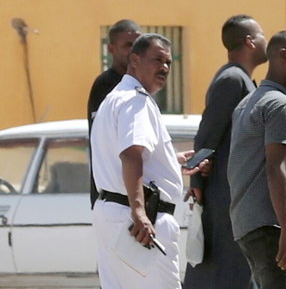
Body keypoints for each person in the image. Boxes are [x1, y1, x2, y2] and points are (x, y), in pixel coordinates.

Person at [90, 33, 206, 289]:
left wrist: (169, 162)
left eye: (168, 62)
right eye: (157, 60)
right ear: (134, 59)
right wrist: (140, 212)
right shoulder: (135, 100)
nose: (164, 67)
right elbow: (131, 154)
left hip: (113, 213)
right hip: (140, 220)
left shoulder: (115, 98)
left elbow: (127, 155)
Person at [184, 15, 267, 288]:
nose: (266, 40)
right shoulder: (233, 80)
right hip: (225, 198)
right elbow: (207, 135)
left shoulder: (242, 80)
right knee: (225, 274)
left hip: (235, 197)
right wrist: (196, 180)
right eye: (261, 34)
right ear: (249, 41)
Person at [229, 31, 286, 289]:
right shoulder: (280, 105)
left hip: (246, 222)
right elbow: (274, 168)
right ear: (283, 56)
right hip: (269, 224)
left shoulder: (247, 102)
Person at [87, 19, 141, 205]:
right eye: (128, 45)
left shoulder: (137, 84)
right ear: (111, 49)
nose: (135, 51)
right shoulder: (107, 86)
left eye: (138, 45)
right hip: (115, 195)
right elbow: (110, 141)